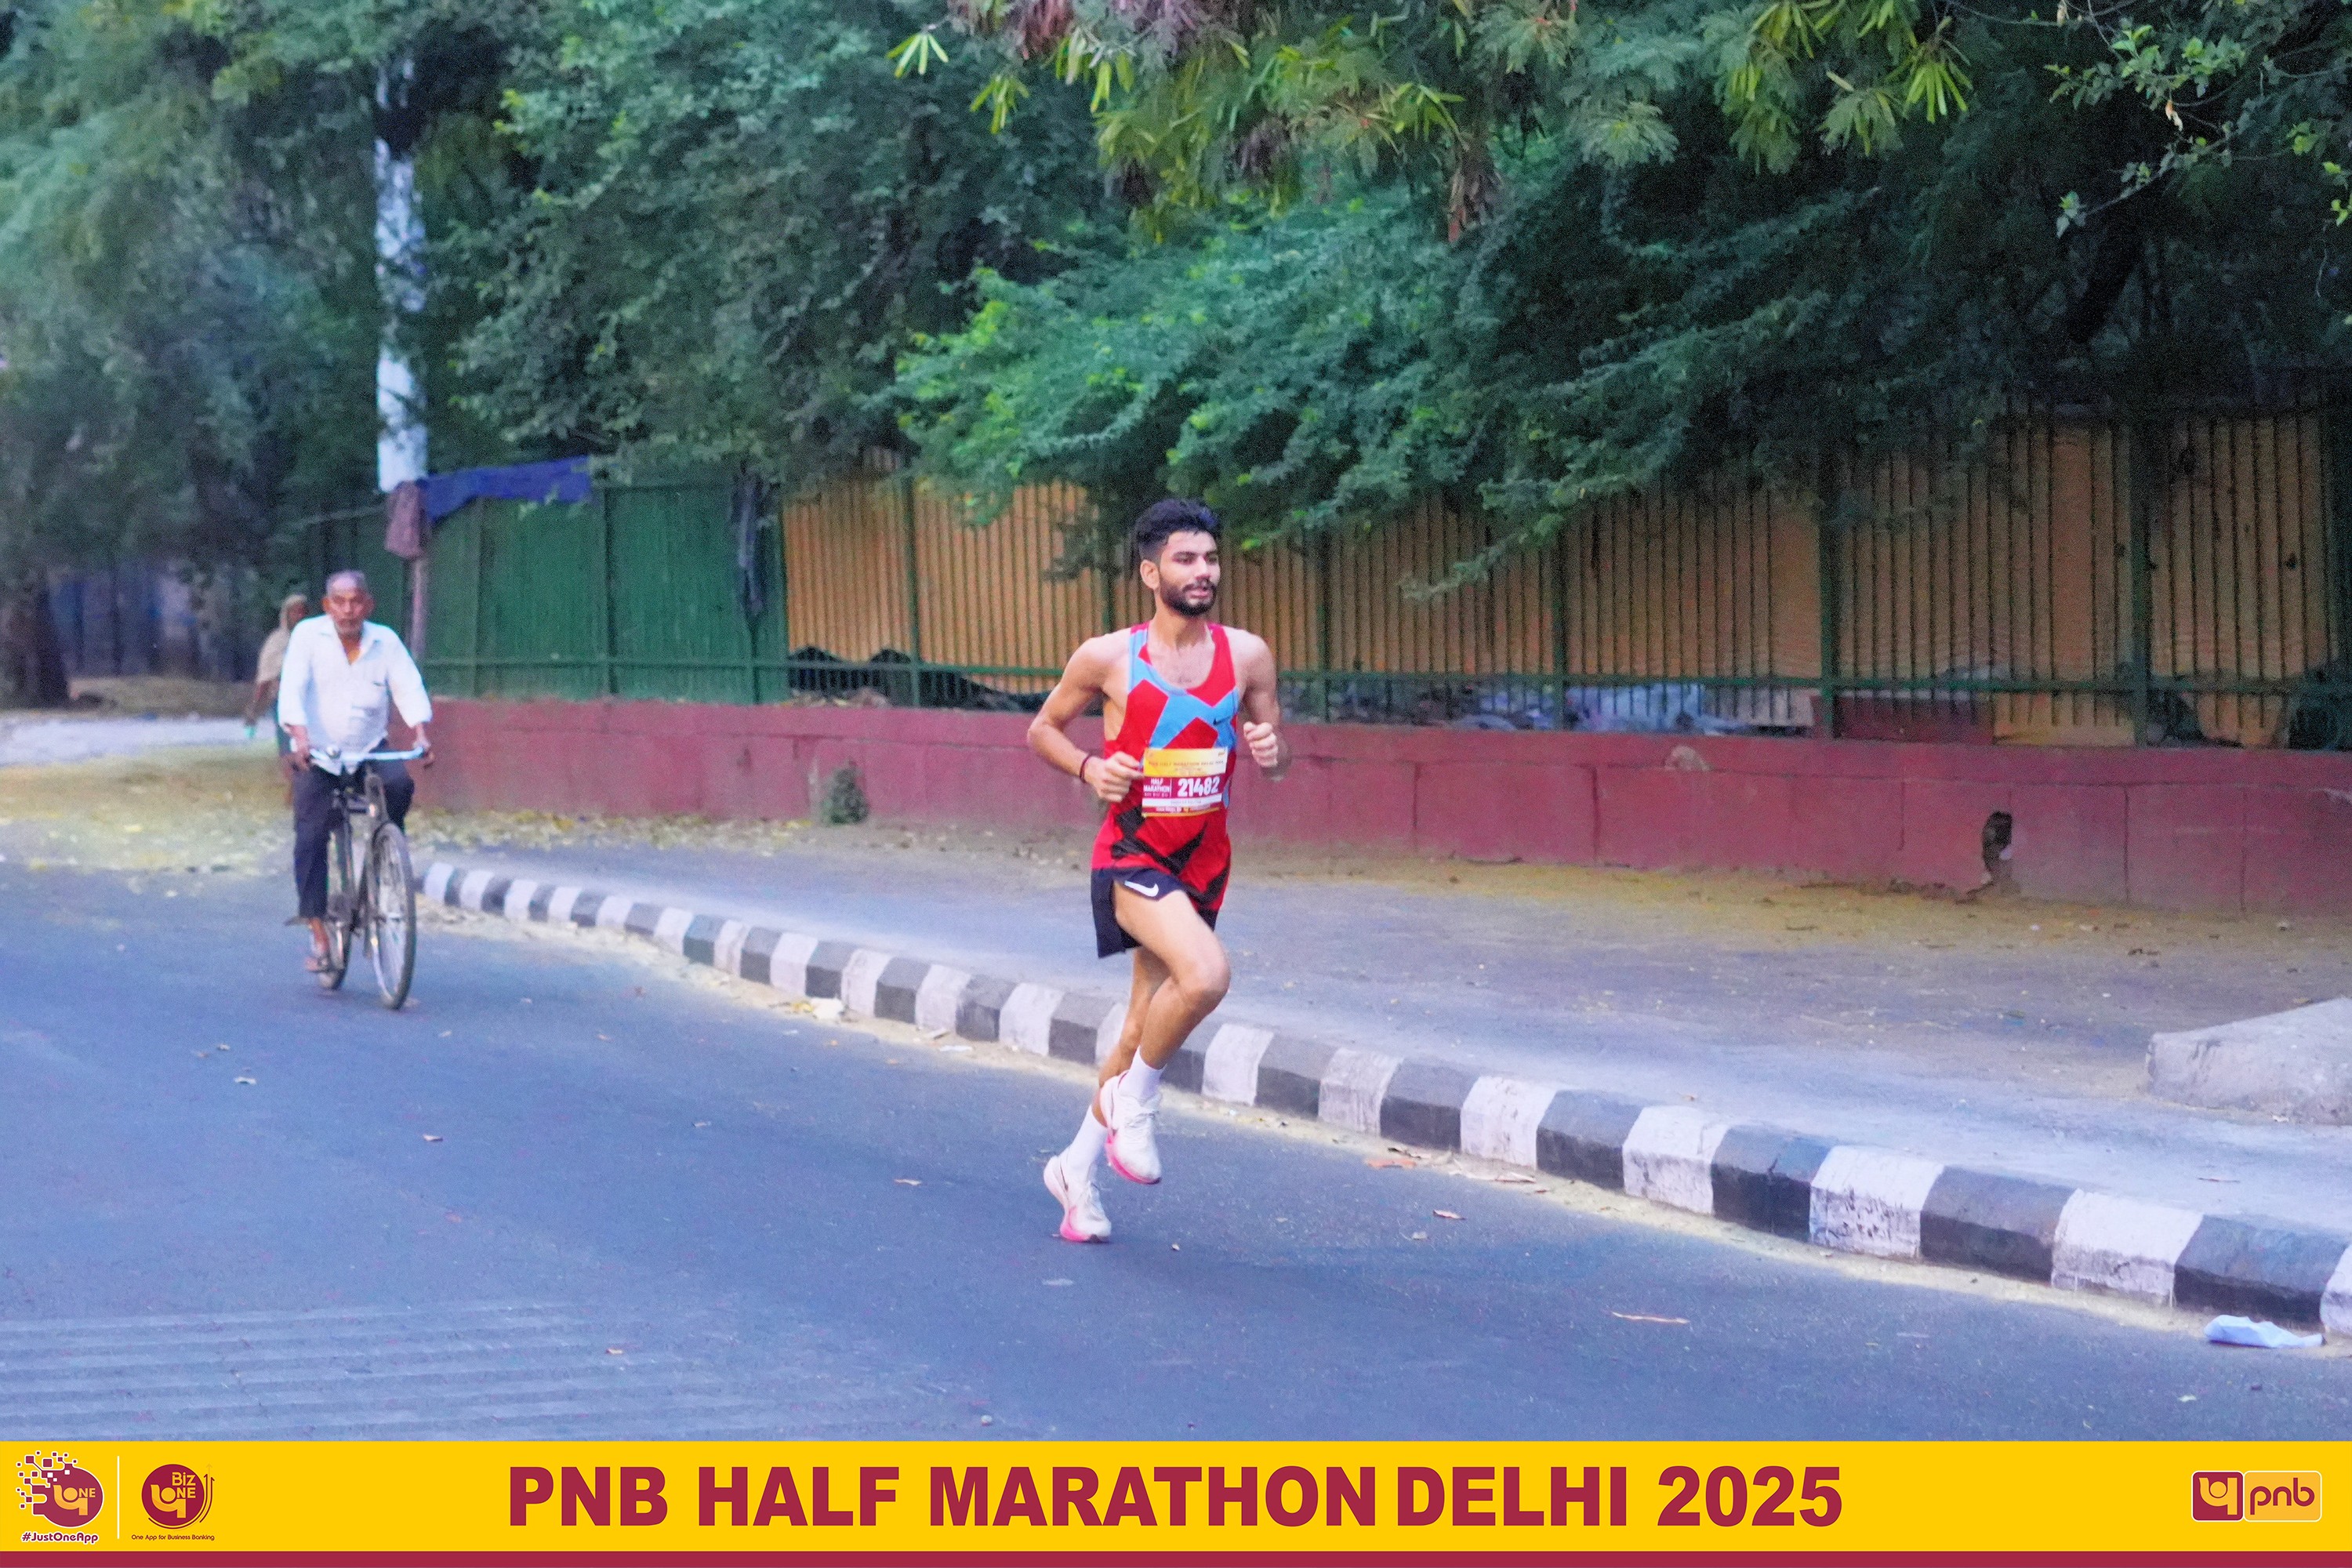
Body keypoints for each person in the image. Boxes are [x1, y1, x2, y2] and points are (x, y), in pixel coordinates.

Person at [1025, 499, 1289, 1242]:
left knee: (1143, 1022)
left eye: (1211, 559)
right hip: (1133, 854)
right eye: (1185, 559)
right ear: (1150, 573)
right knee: (1205, 976)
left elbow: (1274, 750)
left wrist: (1273, 754)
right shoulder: (1108, 657)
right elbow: (1043, 729)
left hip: (1205, 861)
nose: (1203, 572)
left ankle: (1075, 1170)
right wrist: (1089, 768)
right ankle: (1135, 1104)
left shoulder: (1248, 656)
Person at [278, 571, 434, 973]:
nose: (348, 610)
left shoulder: (386, 642)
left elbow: (408, 687)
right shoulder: (308, 637)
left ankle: (385, 854)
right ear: (328, 606)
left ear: (369, 605)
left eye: (356, 601)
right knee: (310, 835)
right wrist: (300, 738)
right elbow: (292, 689)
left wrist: (420, 732)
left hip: (368, 748)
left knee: (399, 784)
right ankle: (318, 934)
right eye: (340, 602)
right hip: (319, 753)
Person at [244, 593, 309, 764]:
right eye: (295, 612)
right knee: (289, 753)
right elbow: (266, 677)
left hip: (311, 702)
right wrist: (254, 710)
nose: (300, 616)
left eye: (303, 612)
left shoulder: (316, 640)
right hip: (284, 701)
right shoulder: (278, 642)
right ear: (286, 615)